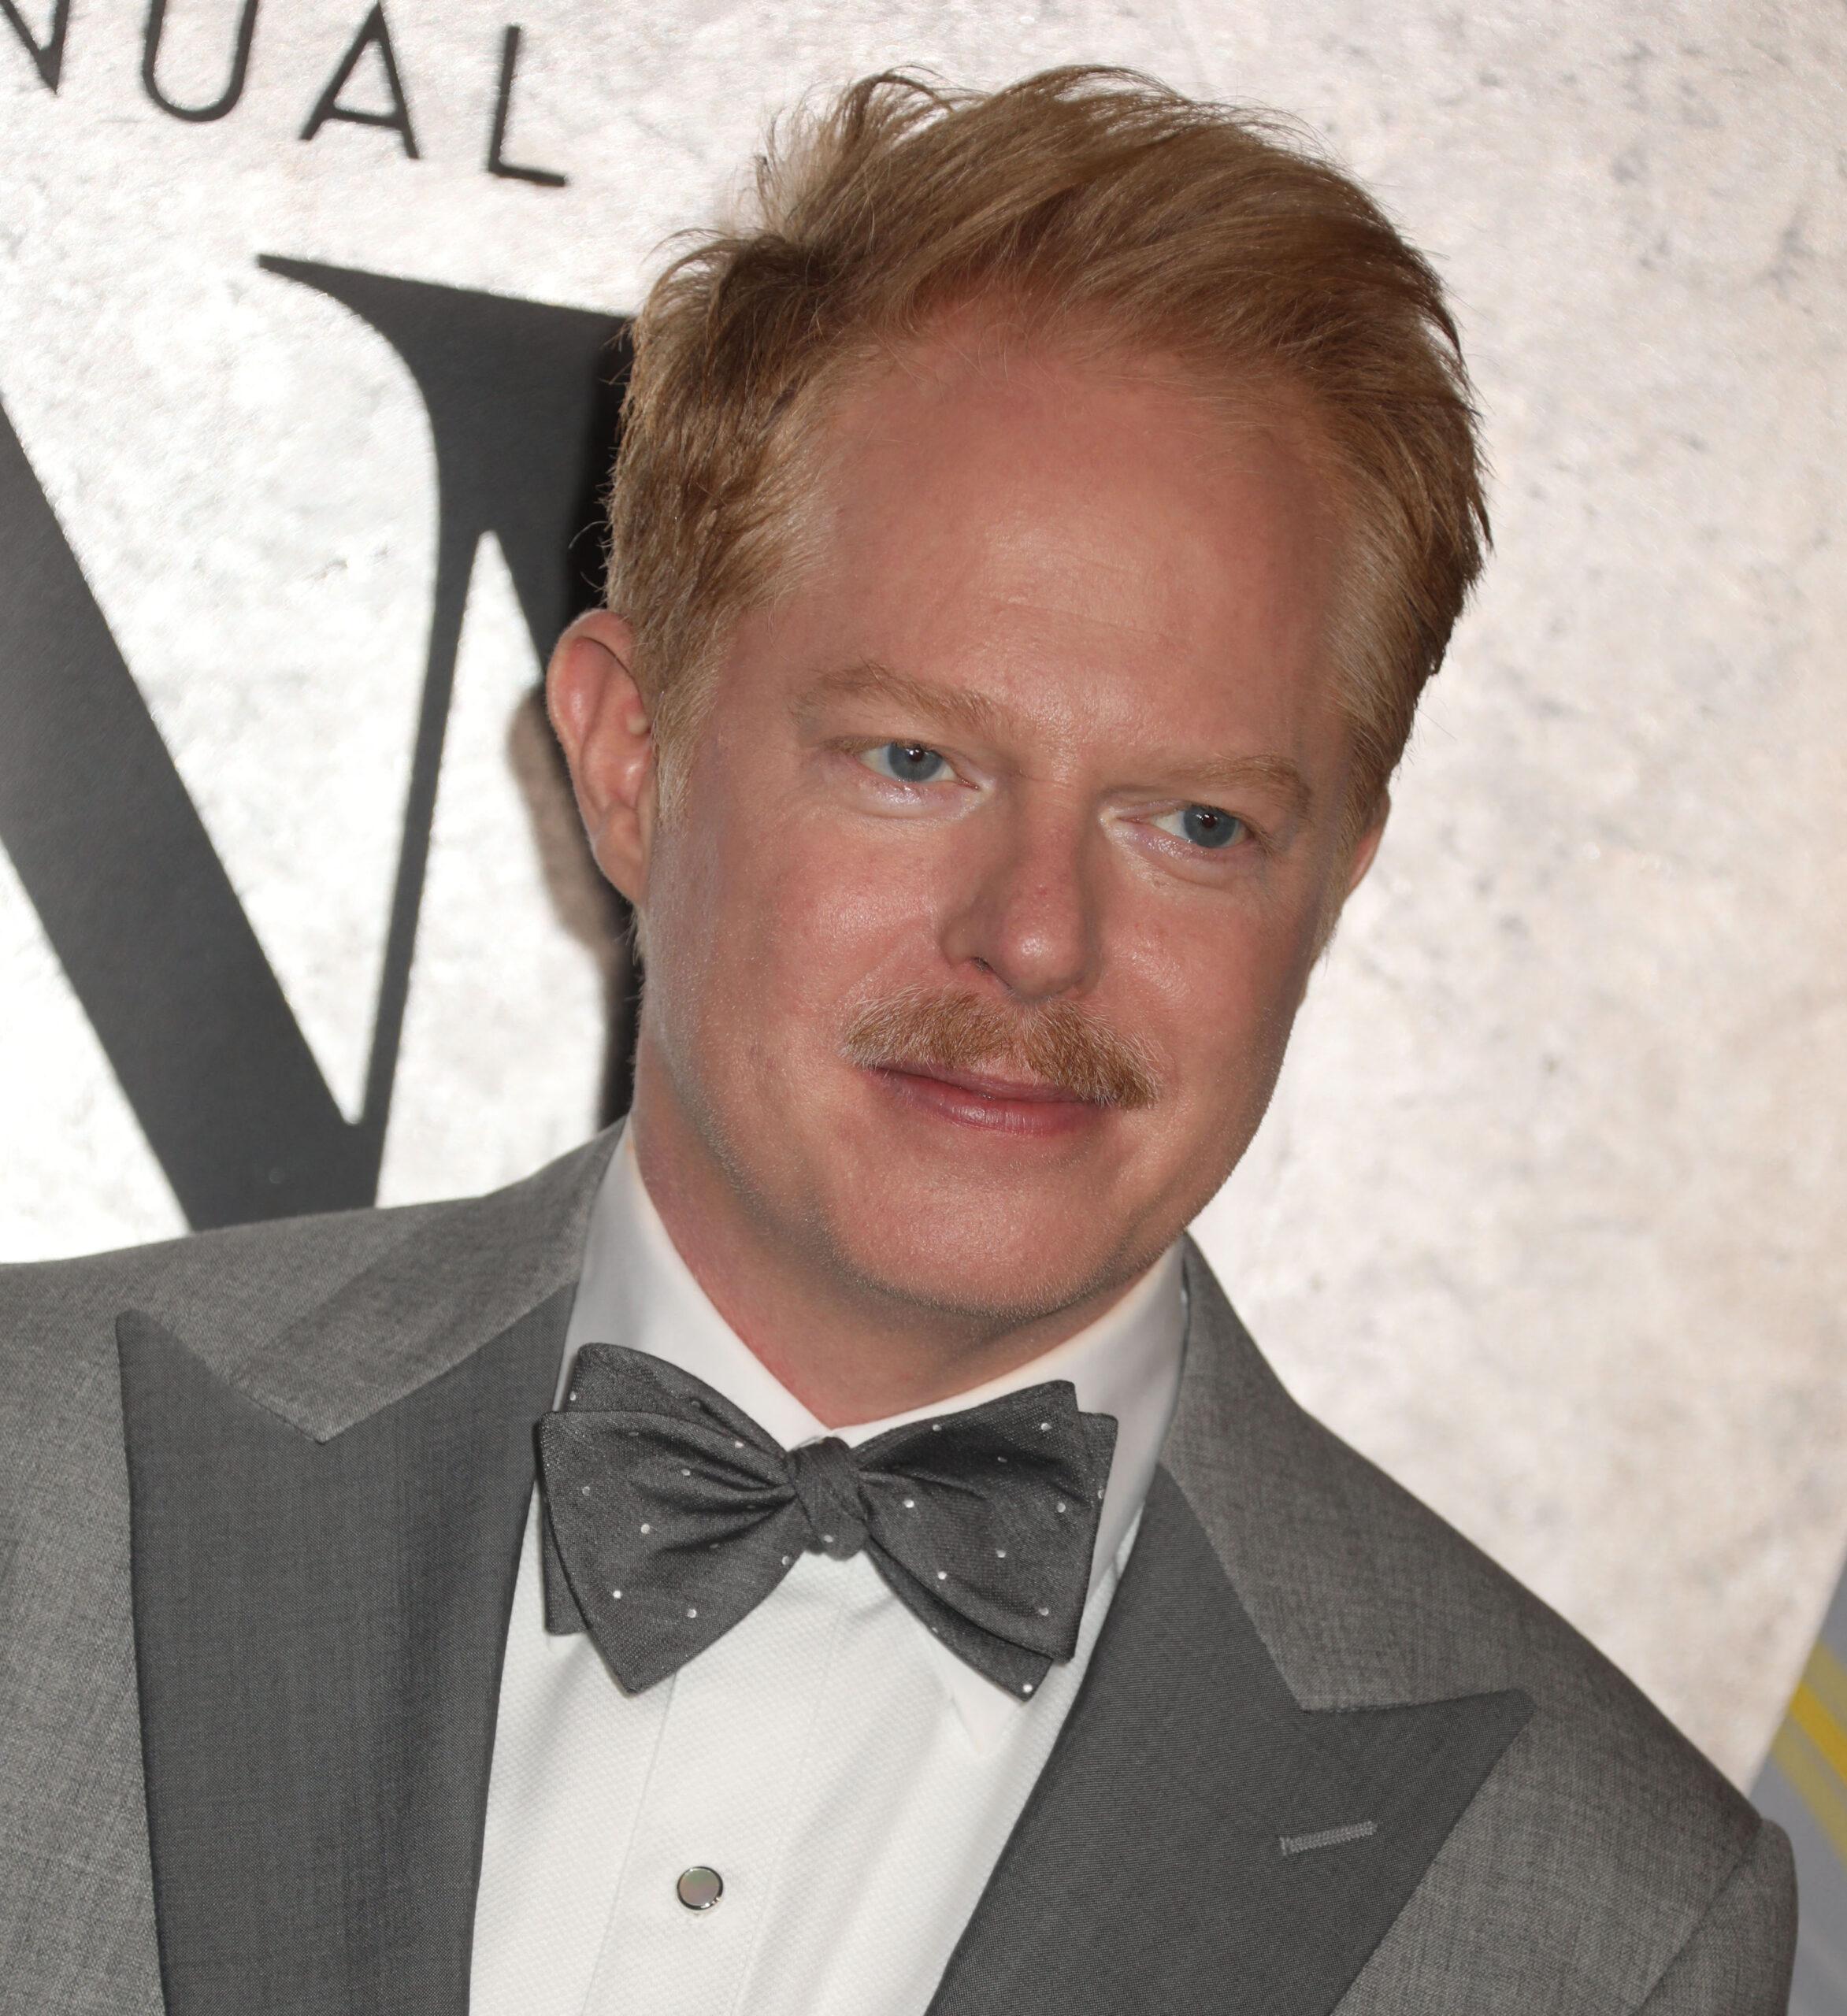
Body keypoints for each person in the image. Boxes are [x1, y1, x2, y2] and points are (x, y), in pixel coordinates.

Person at [0, 66, 1794, 2016]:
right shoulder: (33, 1479)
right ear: (632, 758)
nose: (1035, 934)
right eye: (916, 758)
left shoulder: (1613, 1920)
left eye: (1195, 821)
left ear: (1336, 875)